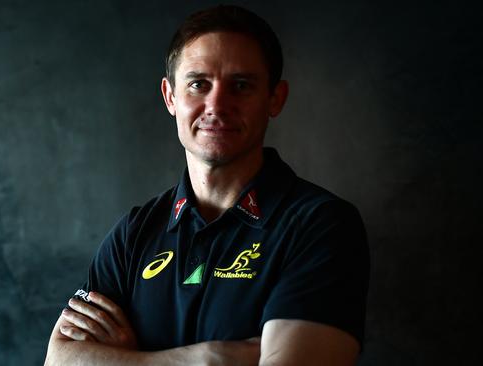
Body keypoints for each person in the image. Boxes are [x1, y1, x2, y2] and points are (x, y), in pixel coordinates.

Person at [44, 5, 369, 366]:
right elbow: (60, 360)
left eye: (241, 86)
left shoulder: (320, 226)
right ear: (170, 96)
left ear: (274, 98)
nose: (217, 104)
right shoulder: (133, 236)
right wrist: (208, 358)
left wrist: (126, 360)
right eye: (199, 84)